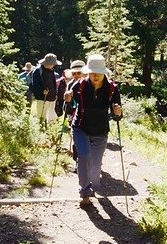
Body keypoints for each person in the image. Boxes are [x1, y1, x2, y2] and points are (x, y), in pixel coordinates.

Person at [64, 54, 123, 208]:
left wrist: (118, 112)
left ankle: (91, 186)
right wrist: (68, 100)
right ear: (88, 72)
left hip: (100, 131)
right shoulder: (80, 85)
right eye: (92, 72)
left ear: (104, 72)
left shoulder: (112, 89)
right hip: (80, 128)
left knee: (96, 166)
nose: (95, 75)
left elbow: (118, 116)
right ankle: (85, 194)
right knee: (84, 156)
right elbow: (68, 108)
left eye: (98, 72)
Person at [30, 53, 62, 125]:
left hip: (52, 98)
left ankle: (50, 131)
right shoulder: (38, 71)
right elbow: (34, 85)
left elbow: (53, 83)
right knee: (41, 117)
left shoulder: (51, 70)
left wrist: (55, 93)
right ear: (47, 63)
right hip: (42, 98)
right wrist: (42, 91)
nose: (53, 65)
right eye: (52, 64)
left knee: (51, 118)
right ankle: (41, 130)